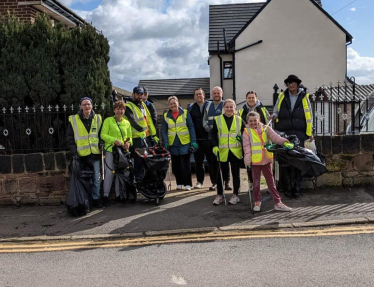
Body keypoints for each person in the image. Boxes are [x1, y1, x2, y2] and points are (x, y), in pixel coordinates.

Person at [272, 74, 314, 198]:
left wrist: (310, 132)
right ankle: (288, 188)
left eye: (293, 83)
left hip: (299, 134)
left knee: (298, 162)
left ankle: (296, 187)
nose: (291, 85)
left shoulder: (304, 97)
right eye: (289, 83)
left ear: (297, 84)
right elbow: (276, 111)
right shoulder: (281, 96)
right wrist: (273, 116)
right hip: (284, 134)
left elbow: (309, 116)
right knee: (285, 161)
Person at [243, 111, 292, 212]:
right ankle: (257, 201)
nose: (253, 123)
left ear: (259, 120)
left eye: (255, 120)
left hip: (266, 159)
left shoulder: (266, 128)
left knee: (271, 182)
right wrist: (247, 158)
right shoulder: (246, 131)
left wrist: (283, 141)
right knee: (256, 184)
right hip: (255, 161)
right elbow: (246, 147)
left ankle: (277, 202)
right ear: (247, 121)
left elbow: (275, 137)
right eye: (250, 121)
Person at [66, 97, 103, 208]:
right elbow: (69, 138)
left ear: (92, 106)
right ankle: (86, 200)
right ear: (81, 107)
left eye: (88, 104)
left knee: (96, 178)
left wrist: (101, 144)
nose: (87, 106)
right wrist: (74, 152)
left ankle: (96, 199)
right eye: (84, 104)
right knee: (84, 179)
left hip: (95, 154)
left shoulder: (98, 118)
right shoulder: (74, 120)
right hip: (81, 155)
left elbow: (101, 134)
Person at [211, 99, 244, 205]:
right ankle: (219, 195)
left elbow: (245, 135)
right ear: (223, 108)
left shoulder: (239, 119)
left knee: (236, 174)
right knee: (220, 174)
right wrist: (214, 146)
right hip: (222, 151)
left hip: (235, 151)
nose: (229, 109)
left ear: (234, 108)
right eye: (227, 107)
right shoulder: (217, 119)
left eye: (231, 107)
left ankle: (235, 195)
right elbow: (213, 135)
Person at [161, 96, 197, 191]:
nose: (173, 105)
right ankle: (179, 183)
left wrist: (193, 141)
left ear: (178, 103)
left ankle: (187, 184)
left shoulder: (185, 113)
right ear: (169, 105)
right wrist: (165, 142)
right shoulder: (166, 115)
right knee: (176, 166)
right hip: (172, 143)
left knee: (186, 165)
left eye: (174, 103)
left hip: (185, 142)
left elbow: (191, 127)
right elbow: (164, 131)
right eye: (171, 104)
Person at [100, 101, 132, 206]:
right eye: (118, 108)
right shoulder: (108, 121)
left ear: (124, 110)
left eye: (122, 109)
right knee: (109, 173)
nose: (120, 111)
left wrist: (128, 144)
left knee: (120, 173)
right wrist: (114, 140)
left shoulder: (126, 123)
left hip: (122, 152)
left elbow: (130, 137)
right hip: (111, 150)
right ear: (114, 110)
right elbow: (103, 135)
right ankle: (105, 196)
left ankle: (119, 196)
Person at [125, 86, 158, 183]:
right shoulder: (129, 106)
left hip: (146, 137)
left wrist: (153, 134)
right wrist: (142, 130)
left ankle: (144, 182)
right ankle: (137, 182)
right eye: (138, 94)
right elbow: (133, 121)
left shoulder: (143, 104)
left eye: (141, 94)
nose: (140, 96)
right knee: (138, 162)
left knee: (146, 161)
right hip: (137, 138)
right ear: (133, 94)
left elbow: (149, 120)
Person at [203, 86, 232, 191]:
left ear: (222, 94)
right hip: (211, 137)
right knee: (212, 162)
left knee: (225, 161)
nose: (216, 95)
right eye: (214, 93)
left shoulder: (226, 105)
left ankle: (227, 183)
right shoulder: (208, 105)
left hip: (223, 138)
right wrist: (209, 128)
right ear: (212, 94)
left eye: (218, 93)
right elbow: (204, 120)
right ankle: (214, 183)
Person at [187, 88, 217, 189]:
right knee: (198, 163)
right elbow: (190, 125)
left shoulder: (210, 105)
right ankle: (199, 182)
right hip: (197, 140)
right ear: (194, 97)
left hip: (209, 139)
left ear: (204, 95)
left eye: (200, 94)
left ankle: (214, 182)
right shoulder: (191, 108)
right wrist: (192, 140)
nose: (199, 96)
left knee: (211, 162)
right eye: (197, 94)